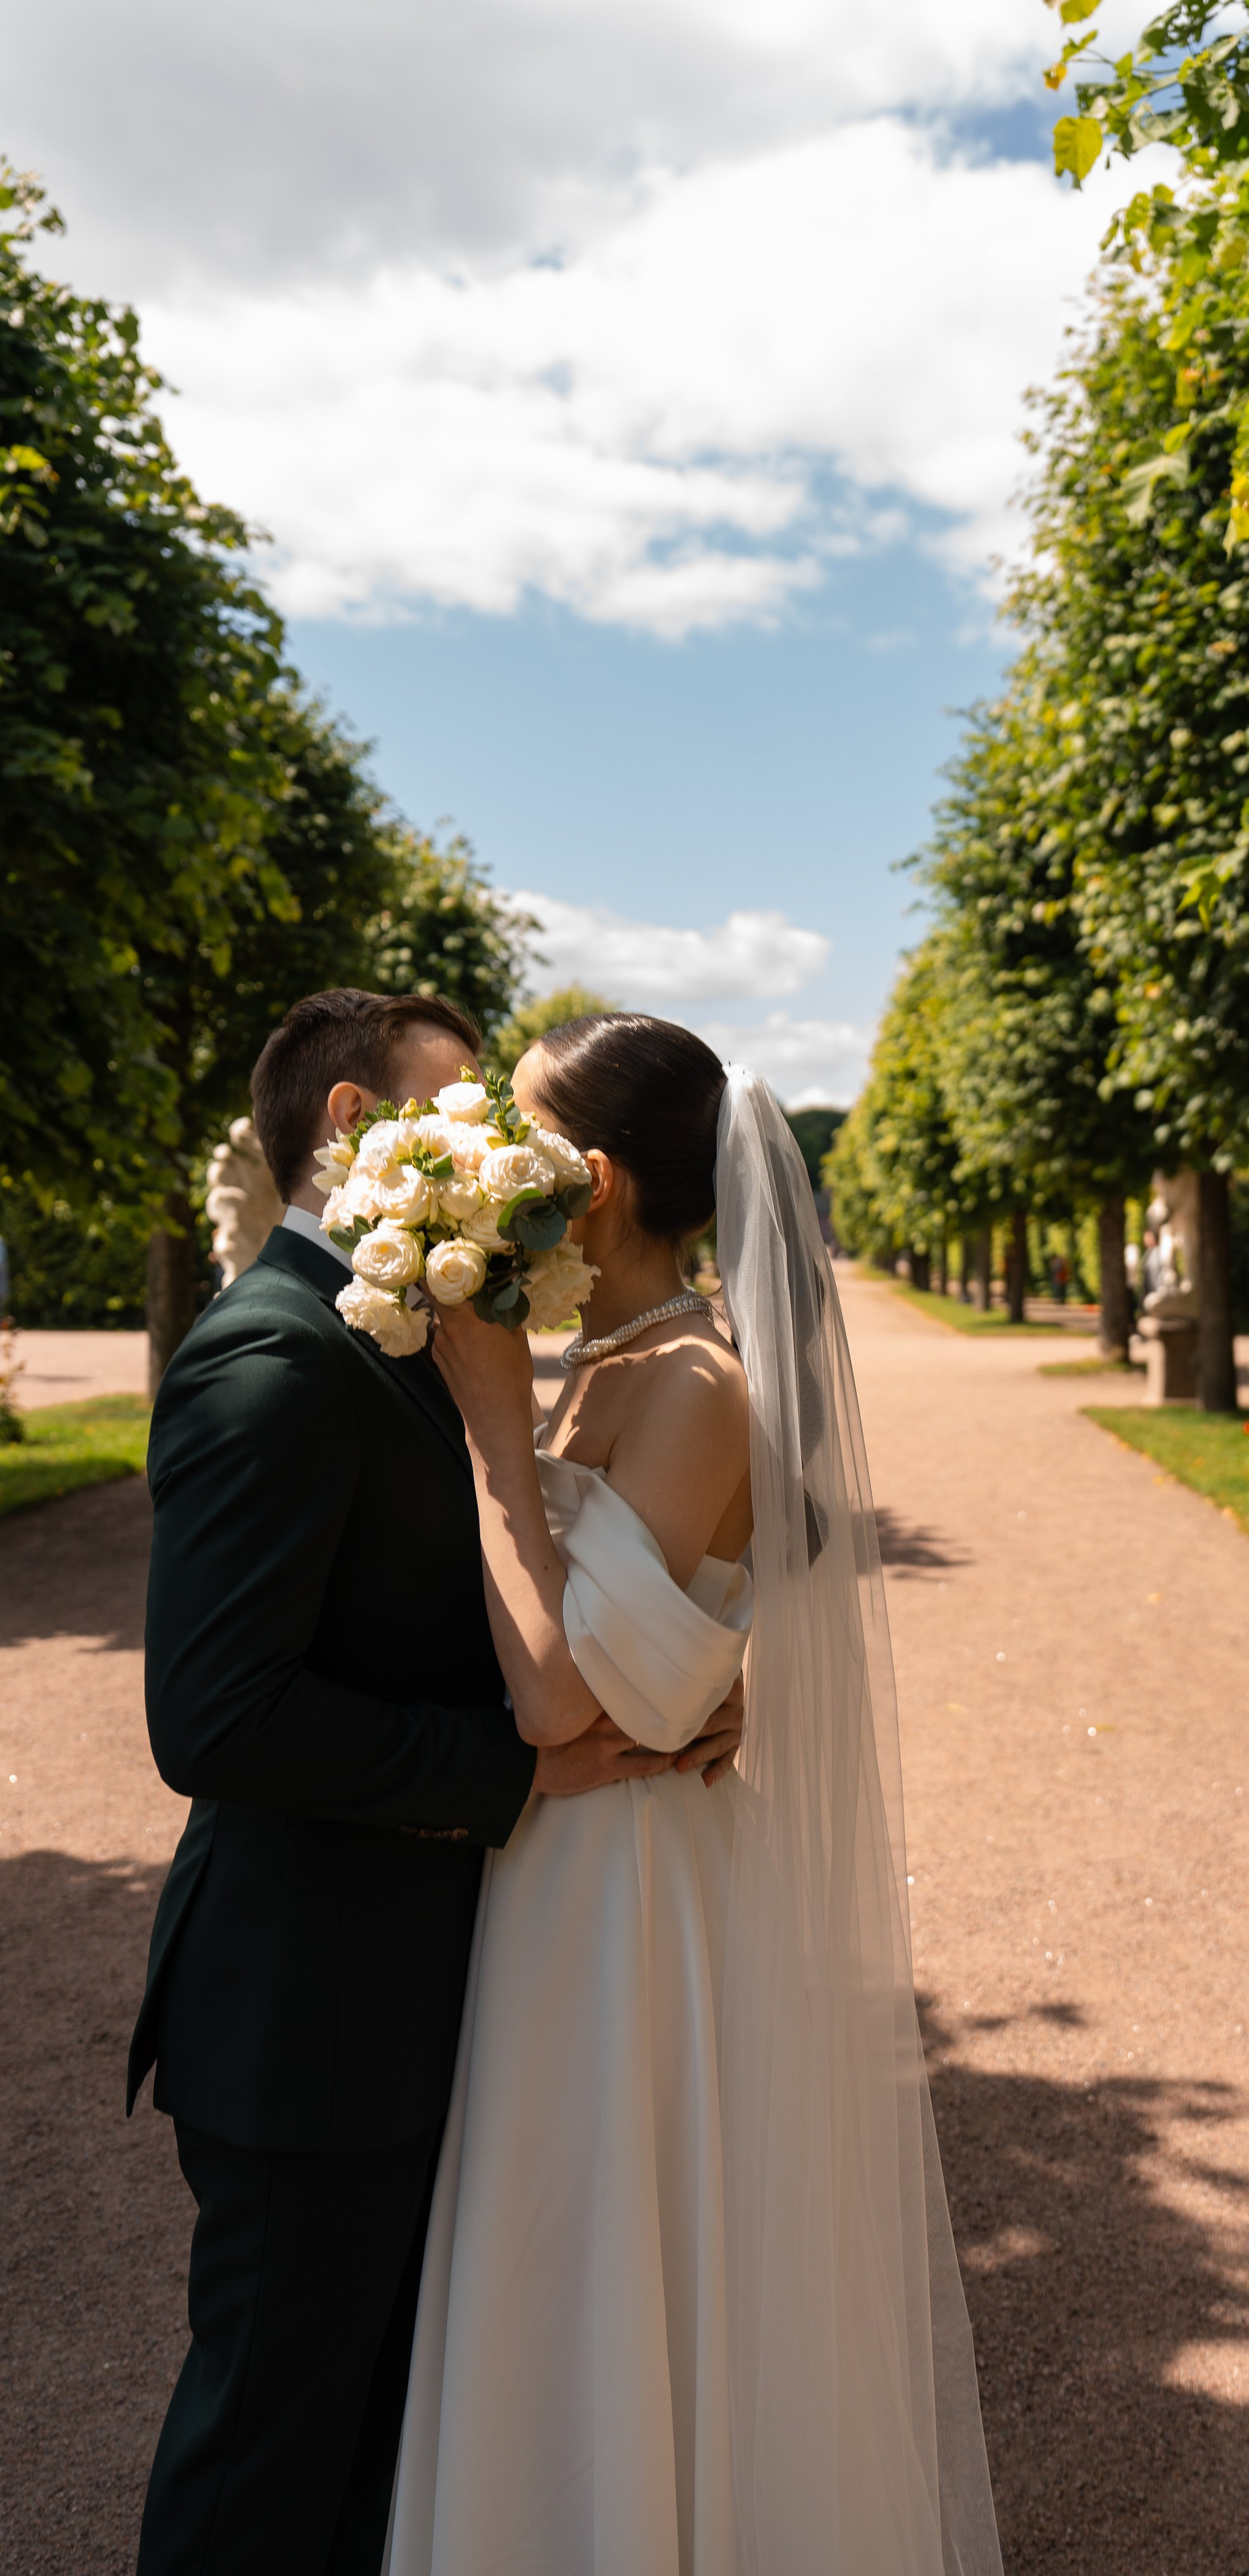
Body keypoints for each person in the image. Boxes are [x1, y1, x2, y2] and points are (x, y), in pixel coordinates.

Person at [128, 987, 744, 2576]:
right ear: (352, 1130)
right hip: (308, 2008)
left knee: (369, 2459)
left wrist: (706, 1679)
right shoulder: (271, 1360)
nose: (489, 1148)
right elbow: (213, 1717)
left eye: (501, 1115)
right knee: (264, 2460)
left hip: (438, 1992)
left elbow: (532, 1579)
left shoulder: (427, 1329)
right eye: (456, 1110)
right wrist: (518, 1769)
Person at [386, 1012, 1002, 2576]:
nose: (479, 1157)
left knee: (612, 2249)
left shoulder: (688, 1383)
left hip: (623, 1899)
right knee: (551, 2258)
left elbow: (557, 1695)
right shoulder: (608, 1358)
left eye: (506, 1134)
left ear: (586, 1181)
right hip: (560, 1872)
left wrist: (488, 1438)